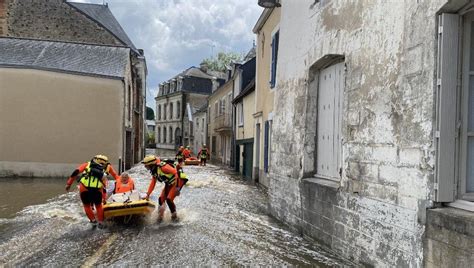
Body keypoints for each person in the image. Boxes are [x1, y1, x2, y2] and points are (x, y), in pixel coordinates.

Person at [65, 154, 120, 228]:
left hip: (84, 188)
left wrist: (69, 183)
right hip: (97, 189)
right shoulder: (107, 167)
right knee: (99, 205)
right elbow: (116, 176)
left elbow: (76, 172)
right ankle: (100, 222)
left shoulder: (87, 164)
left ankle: (93, 221)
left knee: (86, 205)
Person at [142, 155, 182, 222]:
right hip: (169, 184)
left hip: (177, 182)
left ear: (151, 165)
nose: (145, 167)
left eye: (146, 165)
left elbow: (176, 172)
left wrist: (177, 187)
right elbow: (153, 183)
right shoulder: (154, 171)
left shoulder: (163, 167)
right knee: (161, 199)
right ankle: (160, 217)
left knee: (169, 199)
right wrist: (148, 194)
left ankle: (174, 216)